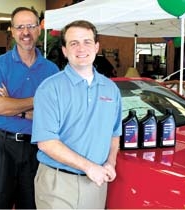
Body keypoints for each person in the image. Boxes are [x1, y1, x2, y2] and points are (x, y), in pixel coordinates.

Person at [31, 20, 122, 209]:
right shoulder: (49, 89)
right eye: (74, 43)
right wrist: (90, 167)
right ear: (65, 50)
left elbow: (114, 134)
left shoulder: (111, 89)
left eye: (87, 42)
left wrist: (110, 163)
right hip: (58, 183)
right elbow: (47, 142)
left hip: (96, 184)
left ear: (96, 47)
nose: (81, 48)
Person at [0, 7, 59, 209]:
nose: (26, 32)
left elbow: (54, 116)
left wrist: (14, 105)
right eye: (20, 27)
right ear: (12, 30)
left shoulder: (51, 70)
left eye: (31, 26)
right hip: (1, 146)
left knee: (32, 205)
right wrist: (38, 101)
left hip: (37, 148)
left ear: (39, 29)